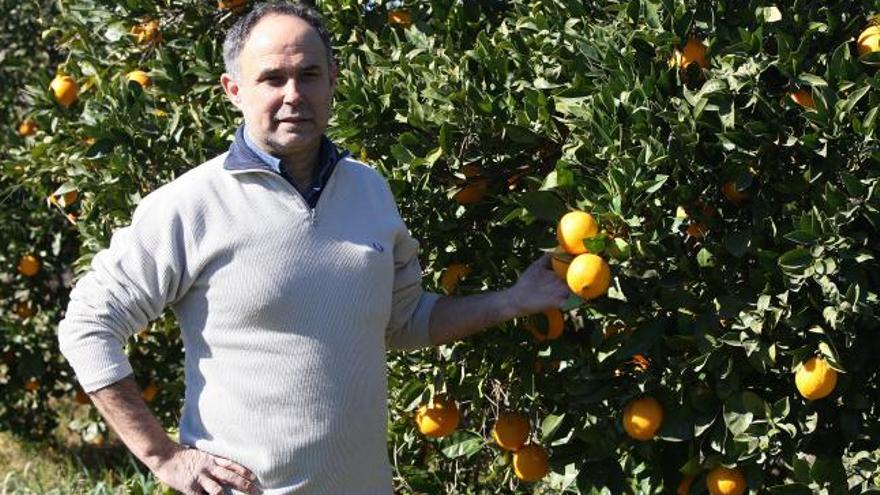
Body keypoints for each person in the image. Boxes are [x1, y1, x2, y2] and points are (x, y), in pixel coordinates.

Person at [57, 2, 569, 494]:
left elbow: (405, 321)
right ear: (234, 90)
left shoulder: (370, 191)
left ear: (332, 83)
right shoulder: (192, 204)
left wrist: (513, 300)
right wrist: (162, 456)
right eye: (272, 78)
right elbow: (87, 324)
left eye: (309, 75)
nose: (293, 94)